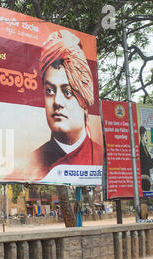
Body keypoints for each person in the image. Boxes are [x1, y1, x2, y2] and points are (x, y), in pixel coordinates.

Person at [29, 30, 103, 180]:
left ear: (84, 96)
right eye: (49, 91)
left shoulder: (101, 158)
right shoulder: (29, 164)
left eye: (67, 92)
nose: (57, 102)